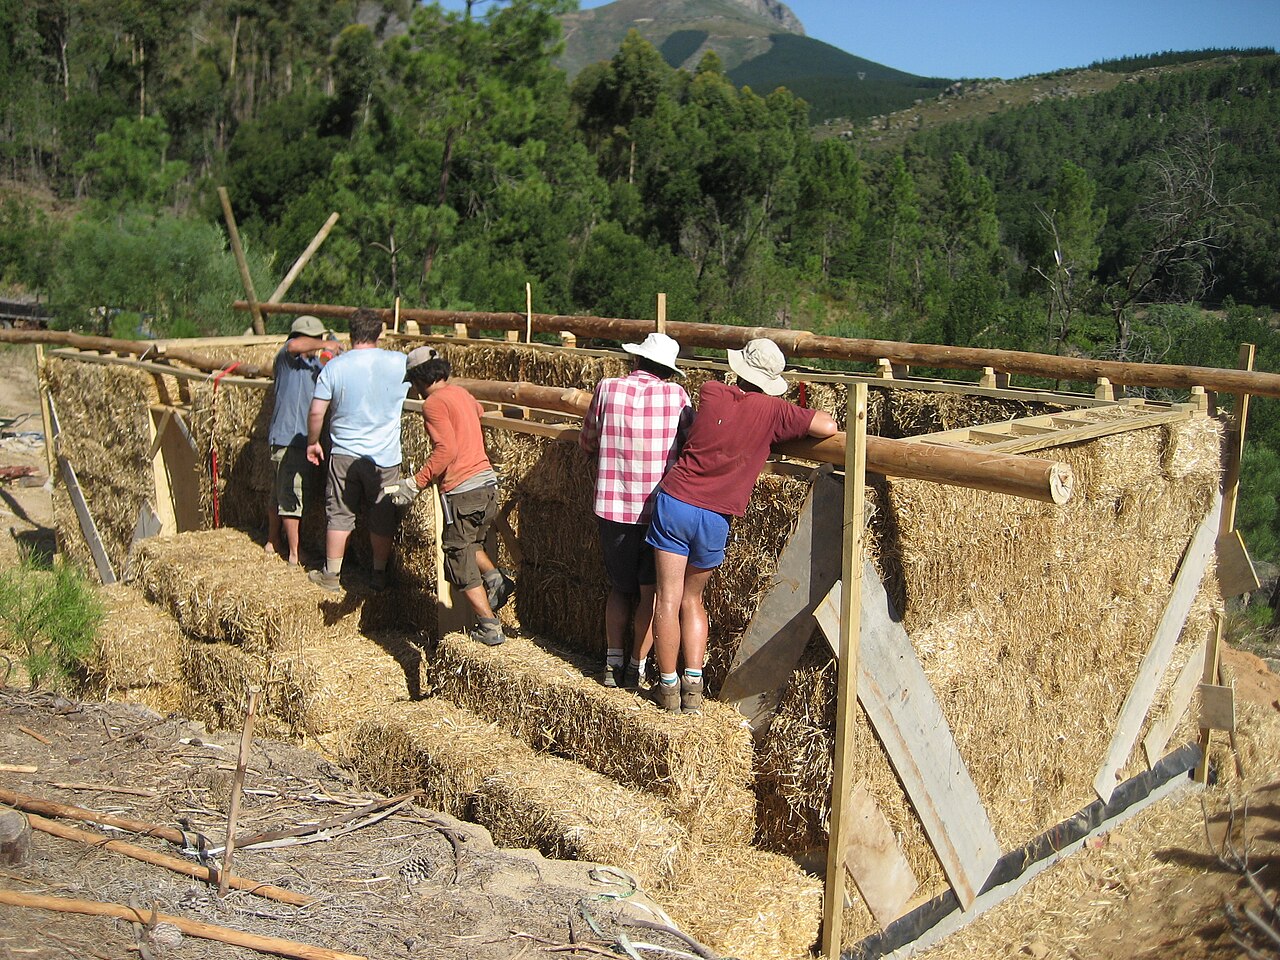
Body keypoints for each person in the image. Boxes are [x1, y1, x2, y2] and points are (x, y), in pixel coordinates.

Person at [646, 338, 838, 714]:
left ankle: (667, 687)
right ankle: (694, 687)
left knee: (666, 598)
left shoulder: (712, 391)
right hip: (716, 515)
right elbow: (827, 425)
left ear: (740, 369)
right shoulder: (778, 412)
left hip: (677, 502)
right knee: (692, 600)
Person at [579, 332, 692, 690]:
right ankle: (636, 666)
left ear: (637, 361)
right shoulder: (677, 396)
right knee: (650, 593)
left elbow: (587, 441)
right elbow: (692, 445)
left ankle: (611, 664)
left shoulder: (608, 387)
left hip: (612, 507)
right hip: (658, 511)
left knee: (618, 588)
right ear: (669, 371)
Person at [388, 347, 514, 646]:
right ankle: (496, 579)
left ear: (419, 380)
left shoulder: (433, 404)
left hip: (463, 490)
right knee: (471, 544)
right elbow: (478, 414)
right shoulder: (461, 394)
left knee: (457, 554)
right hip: (487, 487)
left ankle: (489, 626)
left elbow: (446, 450)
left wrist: (414, 483)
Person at [305, 308, 408, 593]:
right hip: (385, 460)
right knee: (382, 515)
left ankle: (332, 575)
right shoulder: (400, 363)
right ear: (379, 333)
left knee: (339, 513)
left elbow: (316, 412)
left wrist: (313, 442)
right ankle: (378, 575)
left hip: (343, 455)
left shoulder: (335, 367)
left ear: (351, 334)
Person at [265, 315, 342, 566]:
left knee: (281, 492)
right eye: (316, 339)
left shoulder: (315, 367)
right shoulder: (287, 360)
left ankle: (273, 540)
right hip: (288, 438)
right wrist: (325, 345)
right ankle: (295, 554)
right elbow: (293, 346)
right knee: (291, 494)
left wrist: (335, 349)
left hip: (302, 440)